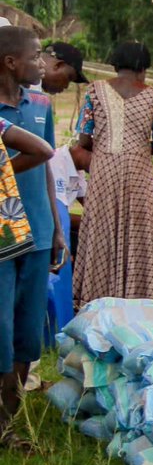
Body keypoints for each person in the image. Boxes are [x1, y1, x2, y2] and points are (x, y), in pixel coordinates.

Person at [73, 41, 153, 309]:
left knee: (100, 232)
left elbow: (83, 137)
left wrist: (106, 146)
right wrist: (138, 146)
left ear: (115, 65)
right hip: (138, 173)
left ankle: (96, 301)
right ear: (142, 69)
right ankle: (140, 300)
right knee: (139, 233)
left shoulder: (95, 92)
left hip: (103, 171)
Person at [0, 27, 64, 395]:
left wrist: (56, 227)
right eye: (35, 57)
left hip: (38, 232)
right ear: (10, 63)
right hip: (4, 234)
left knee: (27, 333)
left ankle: (9, 418)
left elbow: (47, 164)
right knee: (2, 331)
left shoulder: (41, 106)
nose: (43, 64)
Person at [0, 115, 53, 449]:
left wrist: (4, 170)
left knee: (16, 333)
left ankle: (5, 424)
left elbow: (43, 149)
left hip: (8, 230)